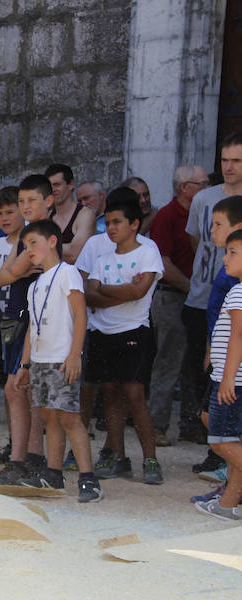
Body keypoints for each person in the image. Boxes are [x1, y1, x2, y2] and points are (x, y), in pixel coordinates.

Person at [13, 219, 101, 502]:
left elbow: (81, 314)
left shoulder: (68, 273)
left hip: (63, 358)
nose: (29, 251)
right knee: (48, 416)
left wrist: (75, 353)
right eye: (25, 247)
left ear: (53, 241)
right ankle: (53, 473)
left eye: (33, 243)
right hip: (40, 360)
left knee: (69, 417)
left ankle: (89, 479)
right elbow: (32, 328)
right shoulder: (34, 285)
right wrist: (25, 365)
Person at [85, 193, 164, 484]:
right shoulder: (103, 258)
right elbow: (89, 295)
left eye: (118, 222)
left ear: (134, 224)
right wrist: (122, 291)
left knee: (135, 394)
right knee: (111, 396)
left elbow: (139, 293)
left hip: (133, 331)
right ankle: (119, 457)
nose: (112, 228)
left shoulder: (148, 252)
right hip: (102, 333)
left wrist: (105, 291)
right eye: (108, 223)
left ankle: (151, 459)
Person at [0, 175, 55, 484]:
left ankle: (27, 460)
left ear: (48, 201)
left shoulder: (43, 234)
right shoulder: (25, 235)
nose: (26, 207)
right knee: (20, 390)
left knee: (21, 389)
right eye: (22, 202)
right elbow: (2, 277)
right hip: (18, 317)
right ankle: (27, 459)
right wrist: (16, 270)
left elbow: (11, 272)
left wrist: (15, 271)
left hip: (36, 320)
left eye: (31, 201)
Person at [181, 133, 242, 444]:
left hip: (235, 295)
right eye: (224, 160)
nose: (229, 167)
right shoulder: (204, 198)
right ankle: (205, 439)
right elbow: (197, 242)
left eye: (236, 161)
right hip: (204, 294)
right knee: (200, 370)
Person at [147, 165, 206, 446]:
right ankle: (156, 424)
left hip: (192, 296)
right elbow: (163, 263)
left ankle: (190, 424)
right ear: (185, 188)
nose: (208, 188)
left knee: (194, 364)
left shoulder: (201, 213)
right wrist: (192, 288)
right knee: (169, 361)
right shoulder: (168, 216)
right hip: (172, 295)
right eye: (202, 184)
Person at [194, 228, 242, 520]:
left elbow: (238, 337)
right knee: (234, 442)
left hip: (232, 381)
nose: (225, 258)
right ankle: (228, 505)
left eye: (233, 253)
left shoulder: (238, 292)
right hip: (235, 379)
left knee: (220, 441)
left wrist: (226, 377)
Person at [0, 186, 23, 462]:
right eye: (0, 214)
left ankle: (25, 448)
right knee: (9, 384)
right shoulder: (0, 244)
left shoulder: (29, 241)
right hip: (2, 317)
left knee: (19, 384)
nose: (4, 218)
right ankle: (13, 443)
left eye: (10, 212)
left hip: (22, 318)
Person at [45, 164, 95, 264]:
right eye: (50, 186)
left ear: (71, 184)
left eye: (57, 184)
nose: (53, 190)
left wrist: (42, 246)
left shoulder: (85, 215)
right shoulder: (47, 216)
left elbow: (75, 254)